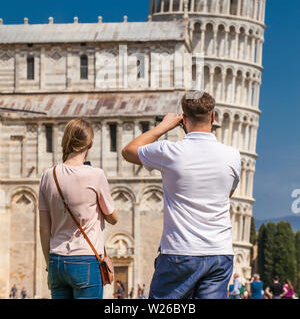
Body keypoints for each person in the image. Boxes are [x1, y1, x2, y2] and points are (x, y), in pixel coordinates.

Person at [122, 90, 241, 299]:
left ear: (184, 119)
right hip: (219, 252)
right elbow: (227, 194)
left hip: (180, 251)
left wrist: (163, 126)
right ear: (213, 117)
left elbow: (129, 151)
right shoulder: (233, 156)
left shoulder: (169, 152)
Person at [38, 118, 117, 299]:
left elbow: (43, 228)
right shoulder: (96, 174)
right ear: (90, 144)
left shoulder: (48, 176)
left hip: (56, 261)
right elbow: (113, 218)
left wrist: (49, 265)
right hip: (85, 260)